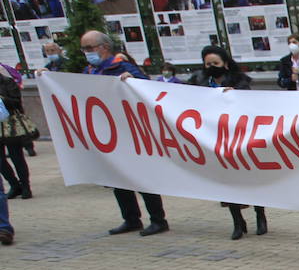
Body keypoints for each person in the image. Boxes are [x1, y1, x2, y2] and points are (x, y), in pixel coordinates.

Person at [66, 32, 169, 235]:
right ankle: (131, 219)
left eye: (89, 48)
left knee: (143, 177)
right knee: (117, 178)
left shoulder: (123, 67)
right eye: (84, 49)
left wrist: (133, 80)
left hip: (130, 132)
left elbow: (146, 88)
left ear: (103, 47)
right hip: (108, 133)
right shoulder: (89, 71)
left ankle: (158, 220)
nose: (86, 53)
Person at [186, 46, 266, 240]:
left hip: (239, 136)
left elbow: (250, 106)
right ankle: (238, 221)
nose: (212, 67)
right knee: (227, 180)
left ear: (225, 64)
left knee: (250, 177)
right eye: (208, 64)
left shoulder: (240, 82)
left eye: (216, 63)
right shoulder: (199, 83)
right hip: (214, 138)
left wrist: (235, 96)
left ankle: (260, 214)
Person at [0, 65, 33, 200]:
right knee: (1, 161)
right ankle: (14, 185)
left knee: (16, 157)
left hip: (10, 125)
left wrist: (1, 99)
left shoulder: (7, 82)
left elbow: (16, 102)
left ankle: (25, 186)